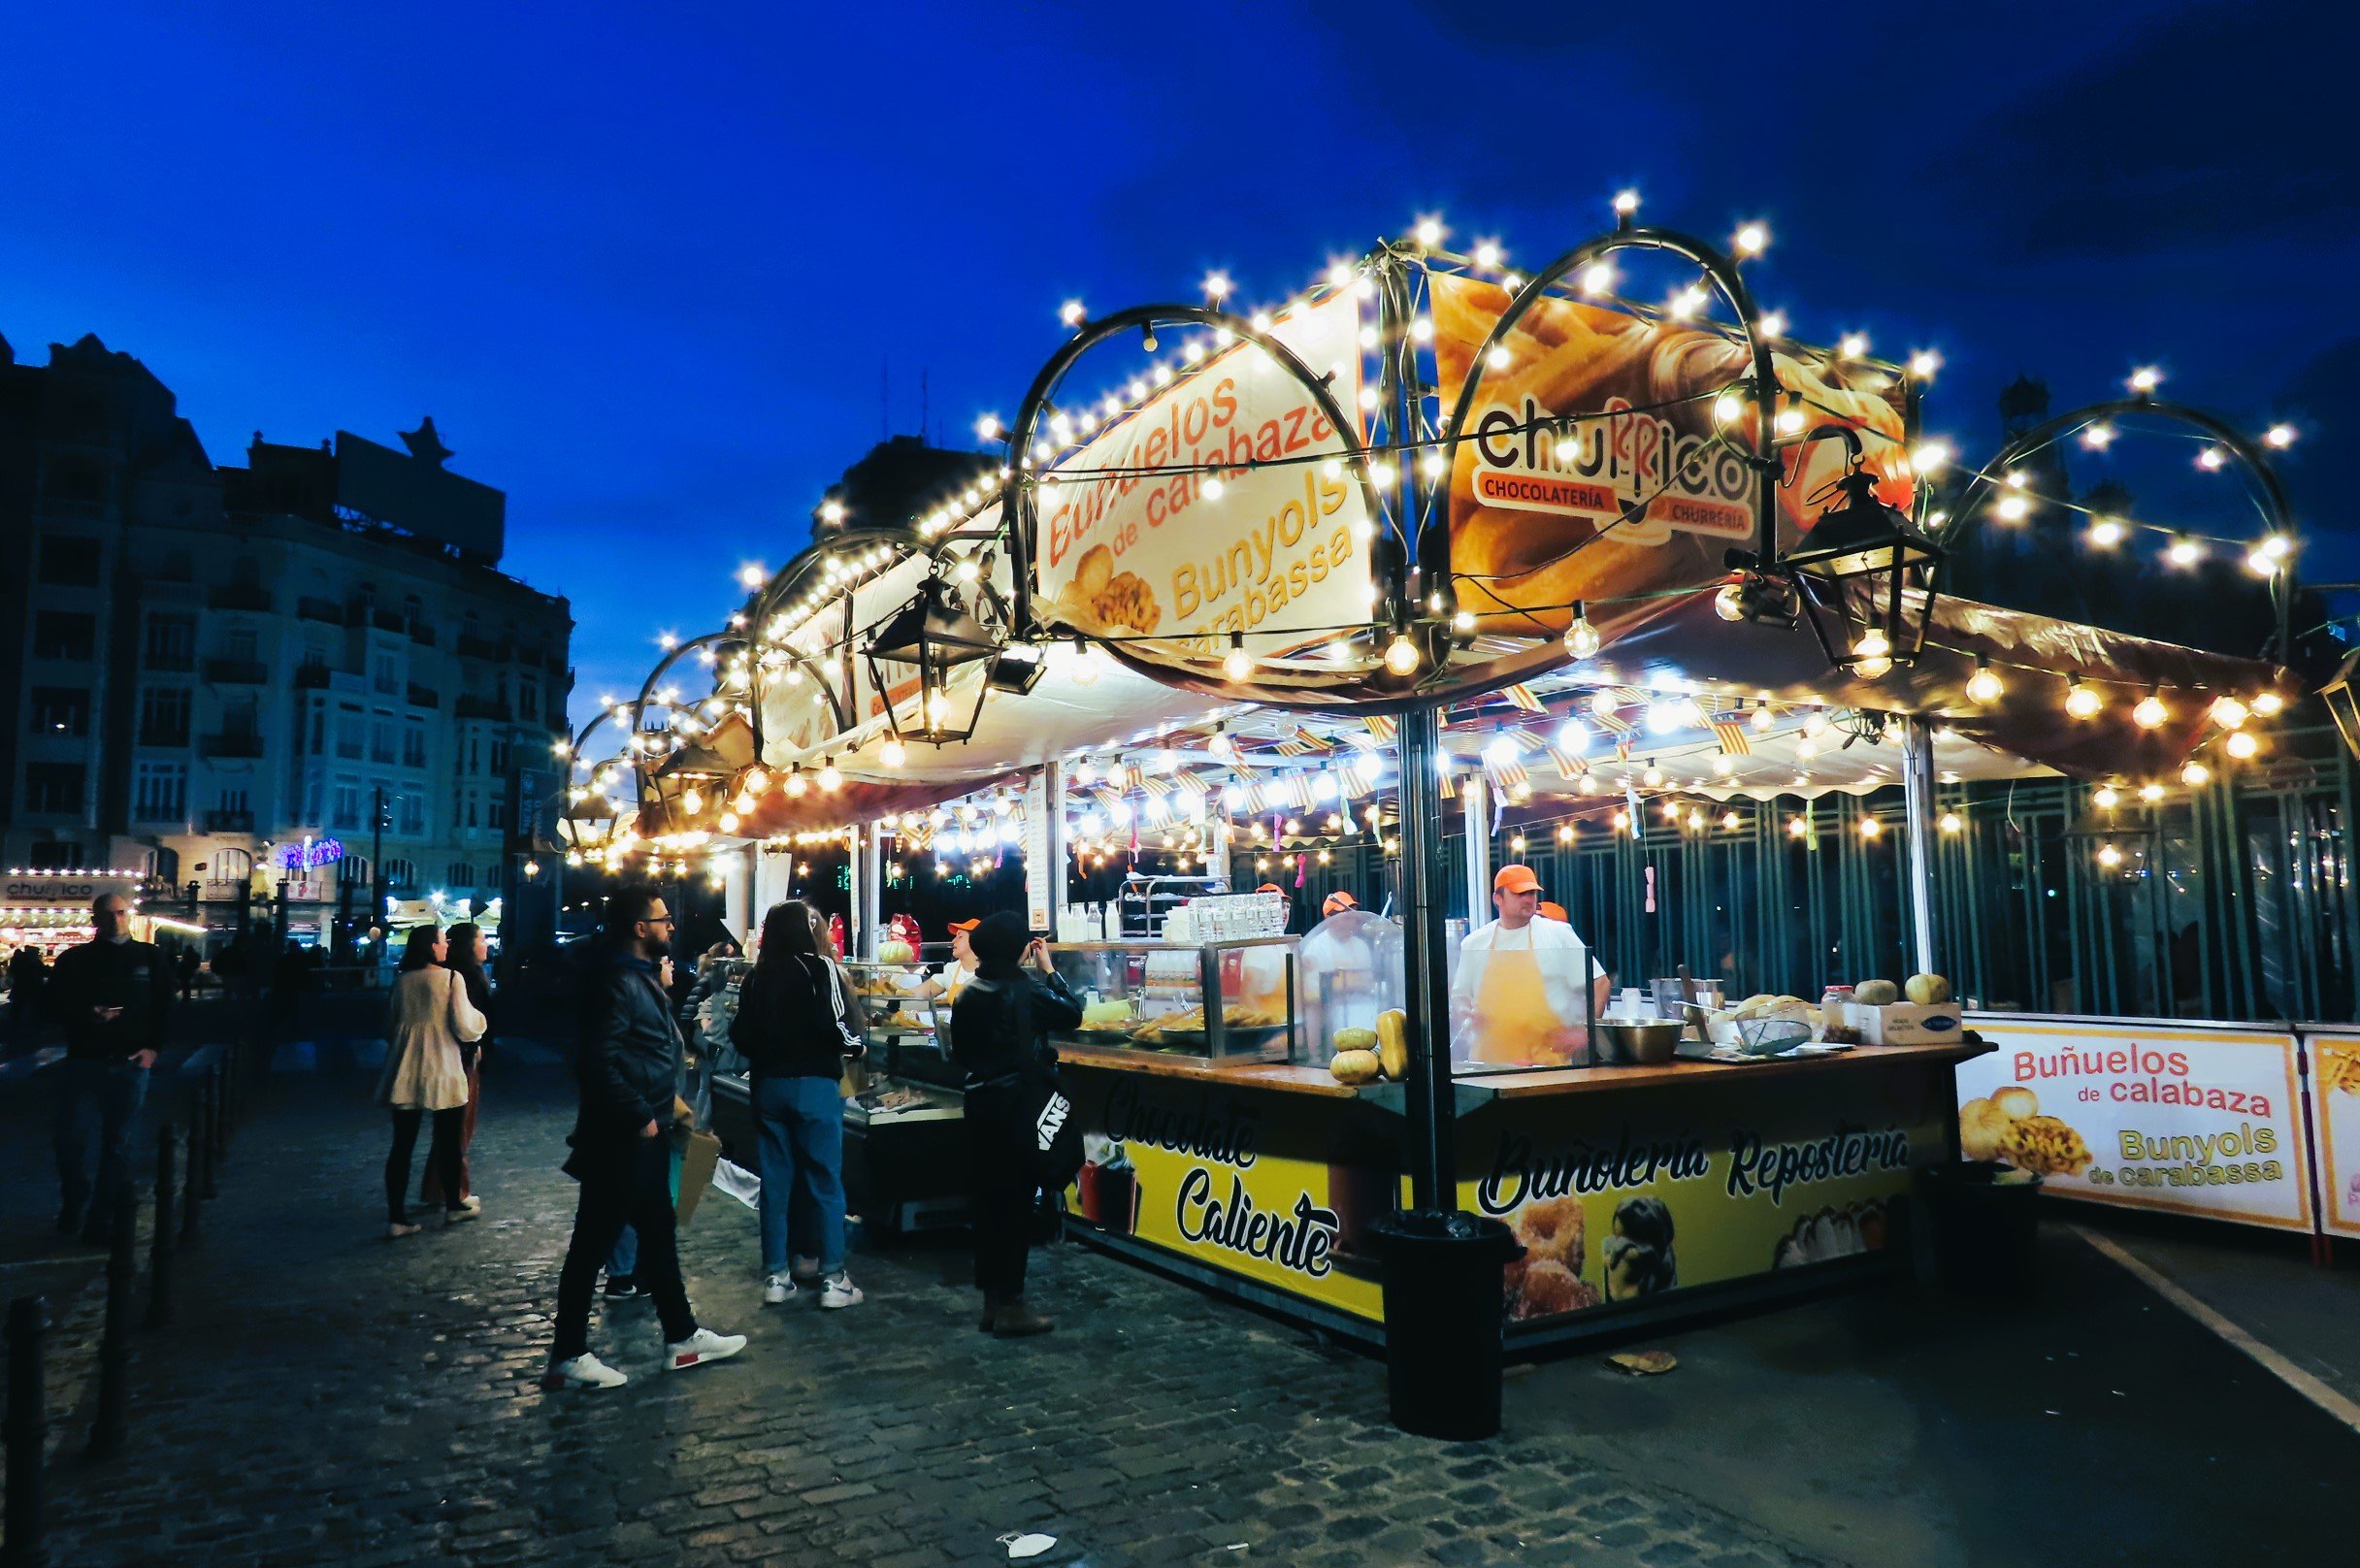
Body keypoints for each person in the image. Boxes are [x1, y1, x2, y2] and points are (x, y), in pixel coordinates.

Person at [544, 885, 744, 1390]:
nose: (670, 927)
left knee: (656, 1235)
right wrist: (640, 1116)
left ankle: (681, 1337)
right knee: (593, 1241)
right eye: (662, 920)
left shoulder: (633, 977)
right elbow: (597, 1060)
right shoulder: (618, 980)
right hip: (624, 1136)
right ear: (640, 929)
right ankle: (569, 1352)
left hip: (643, 1129)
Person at [950, 913, 1081, 1338]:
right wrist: (1050, 971)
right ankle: (1011, 1305)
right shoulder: (1025, 991)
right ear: (1018, 949)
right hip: (1017, 1110)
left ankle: (992, 1301)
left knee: (988, 1206)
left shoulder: (968, 993)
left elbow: (962, 1055)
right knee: (1015, 1207)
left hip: (980, 1107)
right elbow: (1072, 1014)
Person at [731, 900, 864, 1310]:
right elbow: (836, 1022)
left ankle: (776, 1275)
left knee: (774, 1184)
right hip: (813, 1085)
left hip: (768, 1087)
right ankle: (833, 1279)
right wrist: (855, 1046)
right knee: (825, 1180)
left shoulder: (756, 976)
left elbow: (740, 1034)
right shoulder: (819, 967)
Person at [49, 896, 173, 1240]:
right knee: (71, 1140)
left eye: (121, 912)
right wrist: (87, 1014)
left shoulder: (150, 957)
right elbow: (53, 1005)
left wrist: (153, 1049)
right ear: (96, 919)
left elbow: (166, 1007)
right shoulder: (75, 959)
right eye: (108, 914)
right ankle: (75, 1203)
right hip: (85, 1060)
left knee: (118, 1145)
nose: (116, 919)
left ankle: (101, 1214)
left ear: (129, 915)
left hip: (131, 1061)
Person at [375, 927, 484, 1237]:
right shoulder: (451, 979)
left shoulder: (402, 982)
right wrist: (480, 1025)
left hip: (405, 1069)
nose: (446, 945)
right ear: (430, 946)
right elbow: (465, 1026)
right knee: (449, 1140)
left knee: (402, 1146)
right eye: (441, 940)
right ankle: (453, 1204)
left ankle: (396, 1216)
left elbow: (389, 1027)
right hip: (442, 1068)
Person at [1449, 866, 1609, 1067]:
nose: (1528, 899)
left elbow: (1600, 983)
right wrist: (1466, 1015)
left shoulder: (1558, 935)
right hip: (1488, 1067)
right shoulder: (1475, 943)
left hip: (1546, 1064)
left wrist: (1585, 1030)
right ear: (1498, 899)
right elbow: (1460, 997)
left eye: (1531, 893)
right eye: (1519, 893)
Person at [420, 922, 494, 1212]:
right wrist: (474, 1048)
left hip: (456, 1056)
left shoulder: (458, 973)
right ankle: (455, 1191)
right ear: (469, 945)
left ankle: (437, 1188)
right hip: (464, 1058)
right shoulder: (468, 977)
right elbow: (466, 1021)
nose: (486, 944)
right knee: (460, 1128)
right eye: (482, 939)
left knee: (450, 1129)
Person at [918, 919, 981, 1003]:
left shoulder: (994, 970)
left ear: (975, 940)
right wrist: (895, 988)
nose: (953, 941)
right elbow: (918, 993)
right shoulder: (950, 969)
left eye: (960, 936)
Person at [7, 944, 48, 1059]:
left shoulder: (19, 961)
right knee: (33, 1006)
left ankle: (14, 1025)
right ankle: (34, 1024)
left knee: (18, 1006)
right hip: (33, 988)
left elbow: (13, 972)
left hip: (20, 987)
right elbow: (43, 972)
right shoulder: (34, 962)